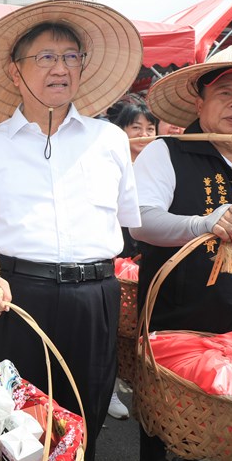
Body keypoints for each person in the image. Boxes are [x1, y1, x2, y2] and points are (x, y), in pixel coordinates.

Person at [0, 0, 142, 461]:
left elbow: (131, 222)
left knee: (82, 424)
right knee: (6, 431)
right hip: (13, 298)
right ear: (15, 69)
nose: (60, 68)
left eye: (71, 57)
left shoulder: (109, 140)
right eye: (45, 57)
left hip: (96, 298)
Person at [129, 45, 232, 461]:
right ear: (199, 101)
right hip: (181, 332)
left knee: (228, 450)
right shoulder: (167, 152)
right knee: (170, 457)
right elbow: (140, 221)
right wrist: (201, 224)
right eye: (225, 91)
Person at [103, 93, 159, 421]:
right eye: (135, 126)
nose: (143, 133)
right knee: (112, 325)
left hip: (147, 254)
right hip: (116, 253)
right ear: (121, 130)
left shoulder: (161, 164)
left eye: (149, 127)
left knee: (140, 327)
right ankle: (107, 389)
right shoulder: (112, 161)